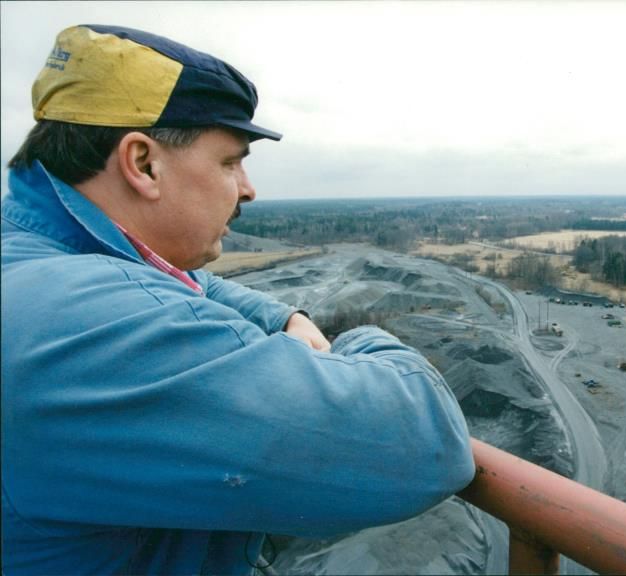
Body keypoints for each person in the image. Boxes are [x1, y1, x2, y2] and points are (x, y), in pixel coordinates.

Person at [1, 25, 475, 575]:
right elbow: (424, 445)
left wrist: (286, 318)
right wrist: (360, 341)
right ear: (143, 163)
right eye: (230, 162)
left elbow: (189, 283)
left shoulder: (37, 258)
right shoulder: (87, 323)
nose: (247, 188)